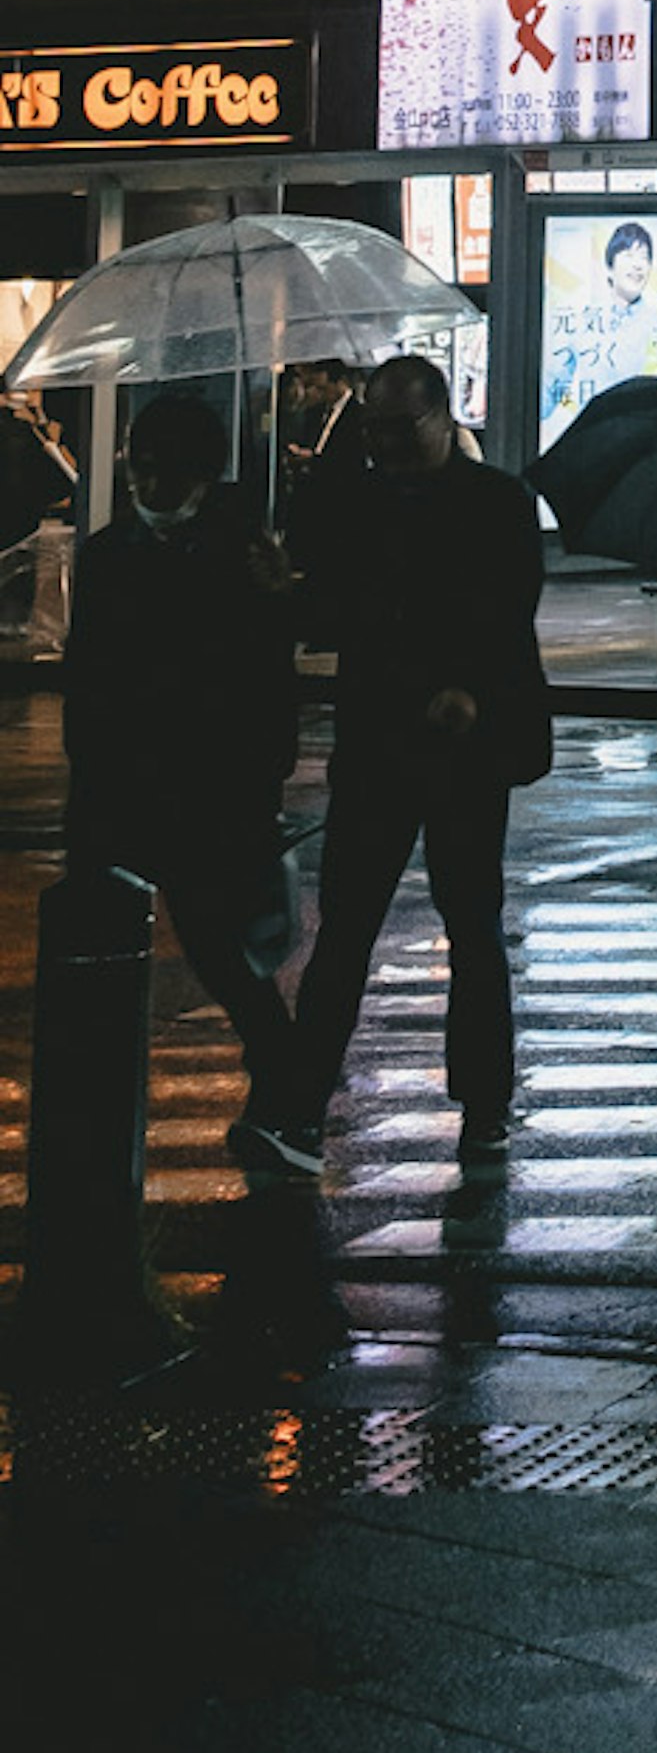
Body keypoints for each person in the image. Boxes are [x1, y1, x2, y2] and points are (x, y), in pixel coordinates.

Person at [287, 346, 552, 1149]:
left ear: (443, 416)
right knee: (346, 926)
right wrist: (285, 592)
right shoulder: (356, 500)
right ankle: (303, 1101)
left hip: (460, 745)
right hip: (379, 740)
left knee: (470, 920)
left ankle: (483, 1100)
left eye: (401, 428)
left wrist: (470, 688)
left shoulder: (497, 502)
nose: (387, 446)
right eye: (375, 431)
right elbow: (331, 609)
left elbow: (510, 611)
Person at [62, 388, 315, 1175]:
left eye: (164, 475)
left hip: (209, 790)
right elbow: (88, 674)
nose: (148, 487)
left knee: (221, 950)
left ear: (202, 478)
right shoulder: (108, 553)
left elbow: (270, 680)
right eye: (139, 471)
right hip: (119, 785)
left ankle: (282, 1089)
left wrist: (260, 776)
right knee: (99, 954)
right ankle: (91, 1119)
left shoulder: (242, 555)